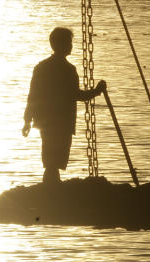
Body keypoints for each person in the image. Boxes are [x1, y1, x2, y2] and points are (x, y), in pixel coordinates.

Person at [22, 27, 105, 184]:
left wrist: (27, 120)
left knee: (51, 160)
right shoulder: (68, 70)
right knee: (55, 160)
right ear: (61, 44)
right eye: (69, 42)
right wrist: (97, 91)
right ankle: (52, 190)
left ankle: (51, 188)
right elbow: (76, 95)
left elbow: (33, 96)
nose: (71, 46)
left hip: (45, 122)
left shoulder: (41, 68)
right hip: (62, 122)